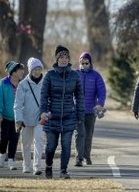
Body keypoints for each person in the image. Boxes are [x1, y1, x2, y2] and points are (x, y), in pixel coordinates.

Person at [40, 45, 84, 179]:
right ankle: (48, 166)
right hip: (52, 117)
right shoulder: (50, 75)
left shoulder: (75, 75)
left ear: (69, 59)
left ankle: (63, 171)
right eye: (61, 57)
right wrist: (43, 111)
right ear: (57, 59)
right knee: (51, 146)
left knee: (66, 146)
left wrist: (79, 115)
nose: (64, 59)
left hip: (68, 117)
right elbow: (43, 95)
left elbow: (79, 96)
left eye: (66, 57)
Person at [75, 52, 106, 167]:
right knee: (80, 134)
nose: (84, 65)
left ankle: (87, 156)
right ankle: (79, 158)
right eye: (82, 63)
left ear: (90, 63)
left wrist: (100, 104)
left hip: (91, 111)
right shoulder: (75, 74)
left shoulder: (96, 75)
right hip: (78, 111)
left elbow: (102, 91)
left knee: (88, 135)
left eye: (86, 63)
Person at [14, 57, 45, 175]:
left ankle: (37, 167)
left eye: (39, 68)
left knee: (39, 142)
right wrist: (18, 120)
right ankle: (26, 166)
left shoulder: (45, 83)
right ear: (30, 70)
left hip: (40, 119)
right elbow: (17, 104)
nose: (37, 71)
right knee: (26, 144)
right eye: (35, 69)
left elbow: (49, 100)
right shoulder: (23, 84)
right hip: (26, 120)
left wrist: (47, 114)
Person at [0, 61, 25, 170]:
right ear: (13, 72)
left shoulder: (23, 84)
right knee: (4, 137)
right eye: (20, 70)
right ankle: (1, 157)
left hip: (18, 118)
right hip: (5, 116)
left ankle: (11, 161)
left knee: (14, 139)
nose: (22, 72)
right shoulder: (3, 83)